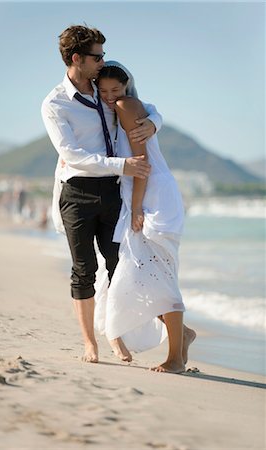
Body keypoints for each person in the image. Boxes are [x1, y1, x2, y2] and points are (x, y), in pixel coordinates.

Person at [41, 25, 163, 363]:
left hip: (112, 191)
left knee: (119, 265)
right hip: (77, 192)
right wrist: (123, 164)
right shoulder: (55, 104)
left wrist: (155, 122)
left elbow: (148, 107)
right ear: (77, 58)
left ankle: (116, 335)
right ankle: (89, 343)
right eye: (97, 56)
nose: (103, 62)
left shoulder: (105, 89)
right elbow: (72, 153)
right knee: (84, 269)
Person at [94, 62, 196, 373]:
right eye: (105, 91)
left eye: (116, 90)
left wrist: (137, 208)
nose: (111, 96)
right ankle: (184, 336)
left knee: (161, 276)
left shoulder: (127, 106)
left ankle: (175, 358)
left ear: (127, 87)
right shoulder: (125, 108)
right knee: (143, 275)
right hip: (143, 196)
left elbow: (142, 163)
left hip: (152, 197)